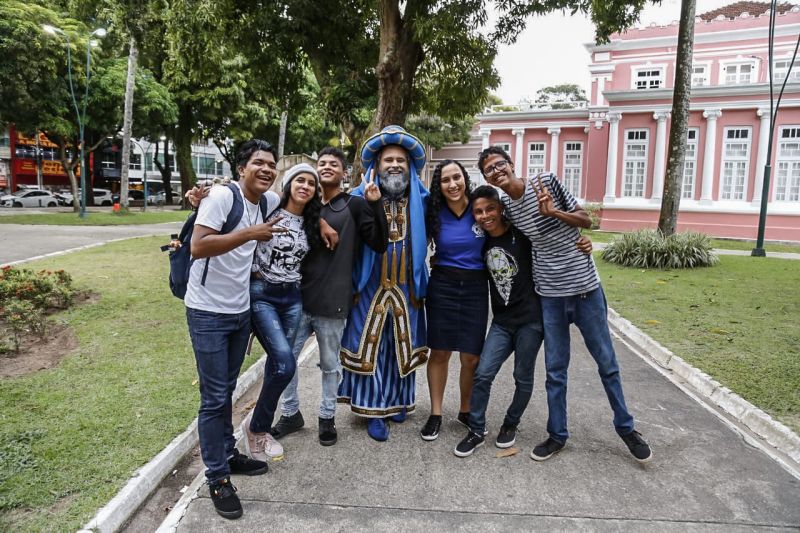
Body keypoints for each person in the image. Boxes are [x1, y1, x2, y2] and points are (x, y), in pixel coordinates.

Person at [477, 146, 652, 463]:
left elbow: (587, 220)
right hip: (550, 297)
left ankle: (626, 428)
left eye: (499, 163)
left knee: (607, 365)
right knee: (555, 371)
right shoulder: (506, 209)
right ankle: (557, 435)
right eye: (489, 169)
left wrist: (555, 213)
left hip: (586, 291)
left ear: (511, 164)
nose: (496, 170)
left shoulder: (547, 181)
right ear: (486, 176)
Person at [184, 139, 287, 520]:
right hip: (207, 312)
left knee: (226, 389)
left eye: (271, 164)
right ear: (241, 168)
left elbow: (300, 201)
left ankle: (228, 452)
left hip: (239, 311)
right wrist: (249, 234)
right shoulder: (223, 198)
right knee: (214, 398)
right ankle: (217, 477)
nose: (266, 169)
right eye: (258, 163)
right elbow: (198, 246)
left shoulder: (268, 202)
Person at [270, 147, 388, 446]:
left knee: (330, 365)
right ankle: (290, 413)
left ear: (344, 172)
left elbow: (379, 243)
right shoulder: (302, 204)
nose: (325, 168)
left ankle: (326, 417)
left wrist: (376, 205)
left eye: (333, 164)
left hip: (334, 299)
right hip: (296, 299)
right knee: (285, 361)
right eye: (321, 163)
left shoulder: (355, 204)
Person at [337, 125, 430, 441]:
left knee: (400, 345)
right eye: (388, 160)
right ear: (376, 167)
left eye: (400, 161)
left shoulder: (425, 201)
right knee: (371, 346)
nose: (394, 165)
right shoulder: (354, 200)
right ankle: (373, 410)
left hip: (408, 288)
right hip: (369, 287)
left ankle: (398, 402)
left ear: (410, 167)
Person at [239, 163, 325, 462]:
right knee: (285, 362)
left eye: (311, 184)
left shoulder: (313, 221)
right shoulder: (268, 208)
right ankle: (257, 427)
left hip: (293, 298)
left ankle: (259, 426)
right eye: (300, 180)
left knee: (280, 364)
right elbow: (242, 206)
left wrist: (323, 224)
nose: (305, 186)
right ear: (288, 184)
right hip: (262, 294)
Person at [419, 160, 487, 441]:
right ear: (439, 186)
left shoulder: (480, 207)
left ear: (465, 178)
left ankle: (466, 410)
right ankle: (436, 413)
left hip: (475, 288)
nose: (452, 184)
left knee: (471, 356)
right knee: (441, 353)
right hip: (443, 285)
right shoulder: (433, 211)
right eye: (445, 180)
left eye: (456, 177)